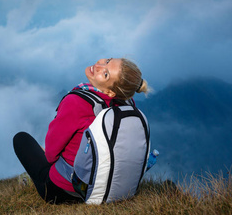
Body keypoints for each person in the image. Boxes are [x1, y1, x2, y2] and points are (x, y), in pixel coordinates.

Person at [13, 58, 149, 204]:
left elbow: (51, 155)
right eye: (107, 61)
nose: (99, 66)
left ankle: (29, 180)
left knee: (21, 139)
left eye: (105, 74)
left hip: (63, 191)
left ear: (110, 92)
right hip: (107, 188)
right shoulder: (127, 103)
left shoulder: (76, 102)